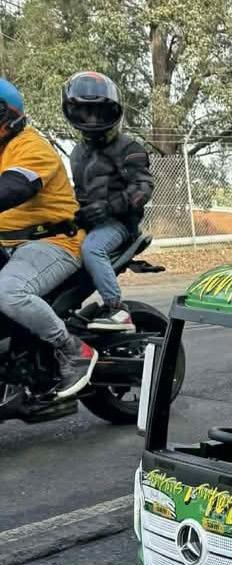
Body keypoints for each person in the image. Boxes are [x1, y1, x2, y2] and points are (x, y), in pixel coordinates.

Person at [0, 78, 97, 398]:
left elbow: (14, 186)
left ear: (7, 115)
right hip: (9, 244)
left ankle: (73, 350)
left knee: (8, 292)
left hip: (53, 242)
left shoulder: (31, 146)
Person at [62, 71, 153, 332]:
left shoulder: (129, 148)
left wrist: (110, 206)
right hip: (89, 224)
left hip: (119, 225)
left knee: (92, 249)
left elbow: (143, 187)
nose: (91, 119)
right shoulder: (77, 152)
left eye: (98, 112)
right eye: (85, 112)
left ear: (112, 112)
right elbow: (79, 192)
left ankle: (116, 308)